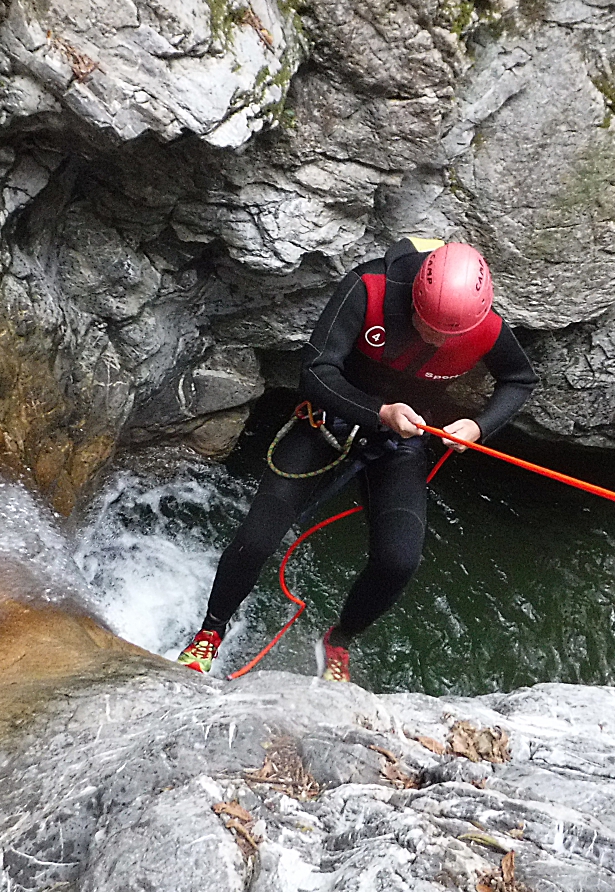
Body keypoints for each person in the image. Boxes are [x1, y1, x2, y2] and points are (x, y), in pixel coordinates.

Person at [177, 238, 538, 681]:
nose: (439, 340)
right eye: (429, 328)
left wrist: (481, 426)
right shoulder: (369, 289)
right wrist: (379, 412)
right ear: (415, 301)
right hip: (329, 420)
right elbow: (315, 370)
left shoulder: (484, 327)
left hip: (400, 441)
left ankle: (339, 640)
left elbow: (519, 378)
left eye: (449, 335)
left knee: (399, 560)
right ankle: (210, 632)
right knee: (256, 537)